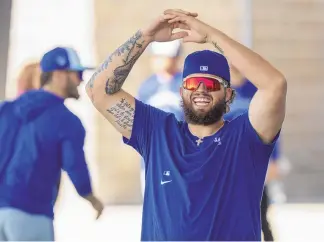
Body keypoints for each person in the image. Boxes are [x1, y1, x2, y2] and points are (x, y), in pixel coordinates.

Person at [86, 9, 287, 241]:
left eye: (212, 84)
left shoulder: (246, 137)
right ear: (181, 92)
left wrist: (211, 35)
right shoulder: (157, 131)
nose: (201, 89)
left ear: (229, 95)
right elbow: (97, 90)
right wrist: (145, 36)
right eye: (193, 83)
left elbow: (275, 85)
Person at [0, 47, 103, 241]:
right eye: (78, 74)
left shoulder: (6, 109)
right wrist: (91, 198)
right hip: (30, 214)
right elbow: (75, 165)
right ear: (59, 75)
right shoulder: (67, 121)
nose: (81, 80)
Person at [225, 65, 281, 241]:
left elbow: (272, 123)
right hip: (230, 161)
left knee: (259, 214)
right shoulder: (222, 93)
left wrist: (275, 157)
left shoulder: (255, 90)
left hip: (255, 160)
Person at [138, 40, 184, 197]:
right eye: (157, 56)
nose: (159, 61)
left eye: (165, 57)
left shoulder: (186, 84)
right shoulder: (147, 87)